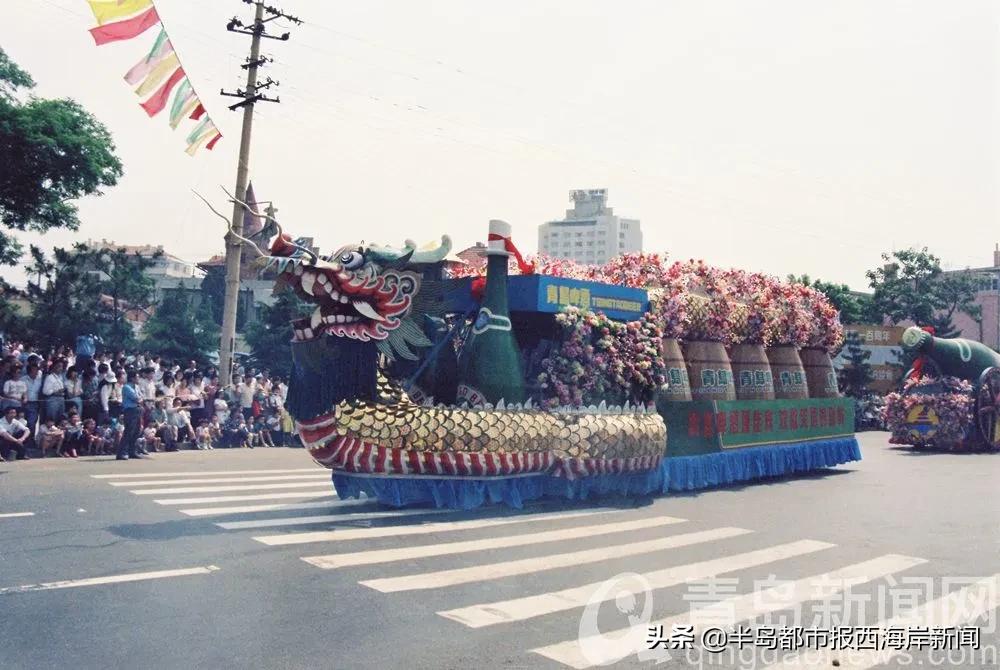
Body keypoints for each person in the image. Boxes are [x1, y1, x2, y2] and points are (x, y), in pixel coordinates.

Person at [118, 370, 143, 461]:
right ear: (132, 378)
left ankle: (132, 451)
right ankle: (121, 452)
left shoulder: (136, 387)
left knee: (136, 431)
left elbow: (141, 396)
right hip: (130, 410)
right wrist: (140, 399)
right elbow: (136, 398)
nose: (138, 378)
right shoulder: (127, 387)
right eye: (137, 377)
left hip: (137, 410)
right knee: (129, 431)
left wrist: (140, 399)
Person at [22, 361, 43, 441]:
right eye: (35, 370)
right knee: (24, 422)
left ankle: (31, 440)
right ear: (29, 371)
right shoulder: (23, 379)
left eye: (37, 369)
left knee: (32, 423)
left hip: (35, 403)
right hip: (24, 403)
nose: (37, 371)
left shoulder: (39, 379)